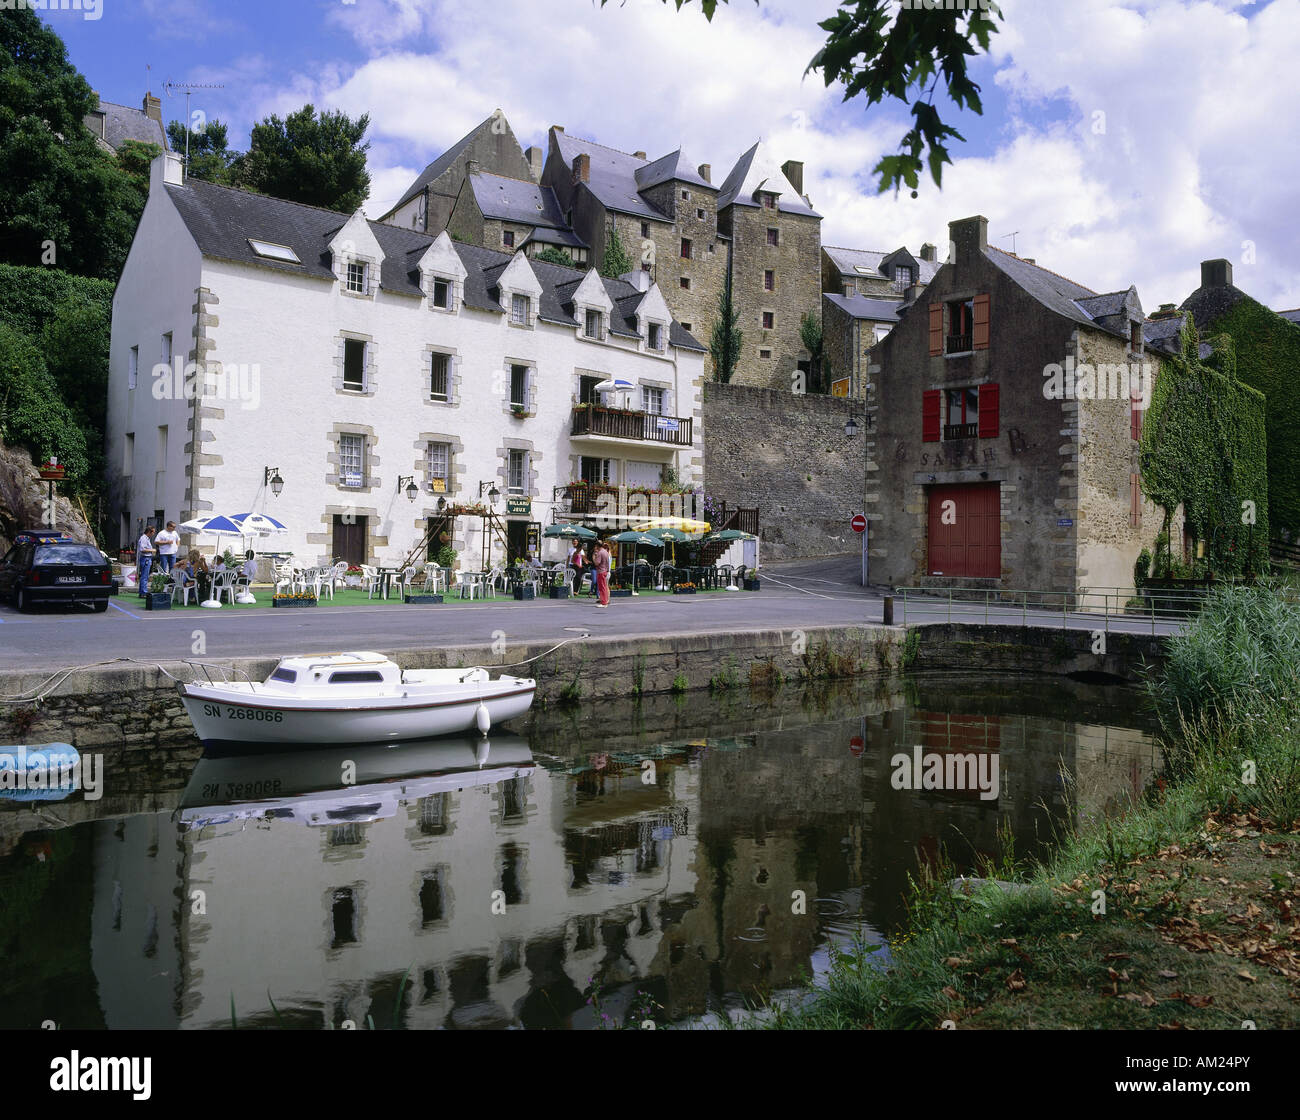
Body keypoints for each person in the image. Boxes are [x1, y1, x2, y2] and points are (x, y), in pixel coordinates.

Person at [135, 525, 156, 596]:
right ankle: (143, 592)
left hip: (147, 558)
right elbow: (142, 549)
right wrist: (152, 550)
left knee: (145, 576)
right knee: (144, 576)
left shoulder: (146, 538)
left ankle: (142, 592)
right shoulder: (144, 538)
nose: (154, 534)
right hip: (145, 558)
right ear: (150, 532)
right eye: (153, 532)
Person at [593, 538, 611, 608]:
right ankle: (605, 601)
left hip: (601, 571)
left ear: (597, 545)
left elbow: (597, 563)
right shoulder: (606, 552)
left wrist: (594, 557)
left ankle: (603, 603)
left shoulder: (600, 552)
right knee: (604, 587)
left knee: (602, 588)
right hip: (605, 571)